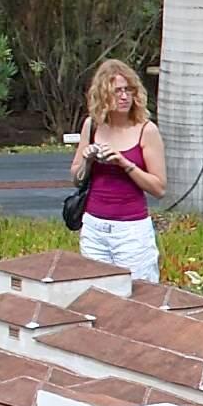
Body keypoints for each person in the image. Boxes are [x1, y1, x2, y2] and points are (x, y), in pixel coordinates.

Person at [69, 58, 166, 283]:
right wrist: (88, 159)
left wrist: (125, 164)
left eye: (128, 90)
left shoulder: (146, 130)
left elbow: (159, 187)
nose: (123, 97)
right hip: (94, 226)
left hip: (131, 230)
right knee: (96, 293)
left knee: (139, 294)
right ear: (103, 95)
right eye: (116, 91)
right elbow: (76, 177)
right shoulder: (91, 126)